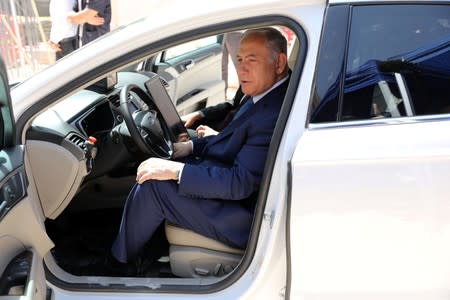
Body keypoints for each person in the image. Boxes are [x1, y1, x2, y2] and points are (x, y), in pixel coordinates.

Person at [111, 27, 289, 264]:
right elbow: (233, 140)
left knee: (154, 186)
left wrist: (175, 171)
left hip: (243, 216)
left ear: (278, 63)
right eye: (239, 59)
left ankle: (118, 264)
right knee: (172, 159)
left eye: (252, 60)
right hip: (233, 186)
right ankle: (146, 248)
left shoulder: (273, 112)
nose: (241, 68)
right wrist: (190, 148)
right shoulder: (265, 93)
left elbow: (239, 183)